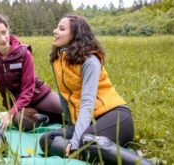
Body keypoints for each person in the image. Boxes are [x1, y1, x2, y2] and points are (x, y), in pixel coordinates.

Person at [39, 14, 135, 162]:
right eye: (57, 27)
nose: (55, 31)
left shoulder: (90, 60)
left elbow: (87, 103)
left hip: (115, 116)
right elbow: (63, 97)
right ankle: (94, 152)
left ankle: (138, 161)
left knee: (85, 141)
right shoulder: (57, 59)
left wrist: (75, 141)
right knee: (47, 139)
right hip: (88, 122)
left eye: (61, 28)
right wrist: (71, 125)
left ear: (75, 34)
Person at [0, 9, 63, 131]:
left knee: (70, 114)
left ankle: (47, 115)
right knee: (23, 122)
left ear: (8, 29)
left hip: (39, 96)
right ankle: (43, 117)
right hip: (18, 104)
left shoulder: (24, 53)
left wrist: (10, 113)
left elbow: (28, 89)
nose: (2, 38)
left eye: (4, 32)